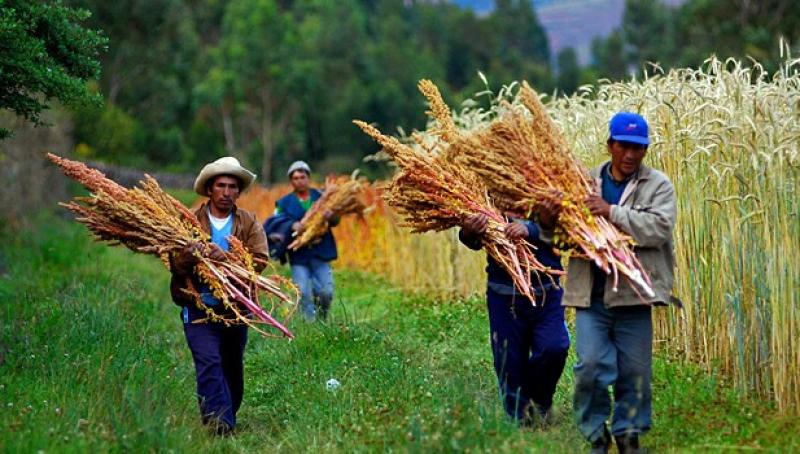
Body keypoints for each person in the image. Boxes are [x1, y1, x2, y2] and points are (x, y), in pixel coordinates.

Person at [546, 112, 677, 453]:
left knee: (635, 372)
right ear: (610, 145)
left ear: (645, 150)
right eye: (624, 146)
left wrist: (611, 212)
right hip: (592, 296)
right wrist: (548, 217)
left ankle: (628, 434)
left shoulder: (658, 185)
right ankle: (596, 434)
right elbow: (558, 237)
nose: (631, 154)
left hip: (634, 296)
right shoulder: (583, 183)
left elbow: (659, 228)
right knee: (589, 366)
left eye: (638, 148)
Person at [169, 156, 268, 436]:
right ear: (210, 189)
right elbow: (173, 262)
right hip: (197, 305)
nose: (226, 192)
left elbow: (260, 260)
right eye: (221, 185)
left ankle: (227, 412)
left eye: (232, 187)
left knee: (231, 366)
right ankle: (219, 423)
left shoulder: (248, 222)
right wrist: (188, 256)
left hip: (235, 308)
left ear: (238, 191)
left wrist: (226, 258)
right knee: (208, 362)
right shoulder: (189, 221)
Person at [458, 202, 570, 427]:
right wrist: (469, 232)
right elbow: (472, 239)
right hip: (504, 294)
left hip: (546, 290)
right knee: (509, 361)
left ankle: (540, 402)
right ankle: (519, 420)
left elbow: (567, 236)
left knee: (554, 347)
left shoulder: (548, 190)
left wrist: (531, 229)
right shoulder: (487, 194)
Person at [269, 161, 338, 322]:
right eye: (295, 178)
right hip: (298, 254)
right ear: (291, 181)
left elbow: (336, 220)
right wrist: (291, 225)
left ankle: (322, 319)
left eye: (302, 177)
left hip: (320, 251)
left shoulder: (322, 197)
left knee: (326, 292)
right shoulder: (283, 203)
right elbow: (276, 221)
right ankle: (309, 324)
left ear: (308, 178)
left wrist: (332, 216)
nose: (299, 181)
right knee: (303, 292)